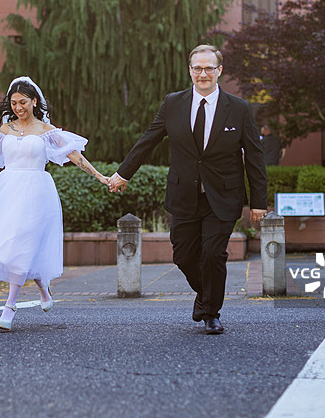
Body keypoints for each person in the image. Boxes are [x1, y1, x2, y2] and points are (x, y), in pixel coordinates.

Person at [108, 45, 268, 335]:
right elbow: (149, 139)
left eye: (209, 68)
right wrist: (123, 173)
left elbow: (255, 158)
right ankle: (206, 295)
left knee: (213, 254)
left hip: (223, 196)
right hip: (184, 195)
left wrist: (259, 202)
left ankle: (211, 313)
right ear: (190, 70)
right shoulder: (173, 103)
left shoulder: (239, 108)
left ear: (219, 71)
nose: (203, 73)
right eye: (197, 68)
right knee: (183, 256)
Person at [0, 76, 109, 331]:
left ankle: (9, 307)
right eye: (14, 103)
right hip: (7, 191)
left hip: (36, 193)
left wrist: (100, 176)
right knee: (9, 245)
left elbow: (75, 156)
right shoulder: (5, 130)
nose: (18, 107)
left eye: (23, 102)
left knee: (23, 242)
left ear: (34, 101)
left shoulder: (46, 131)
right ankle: (43, 286)